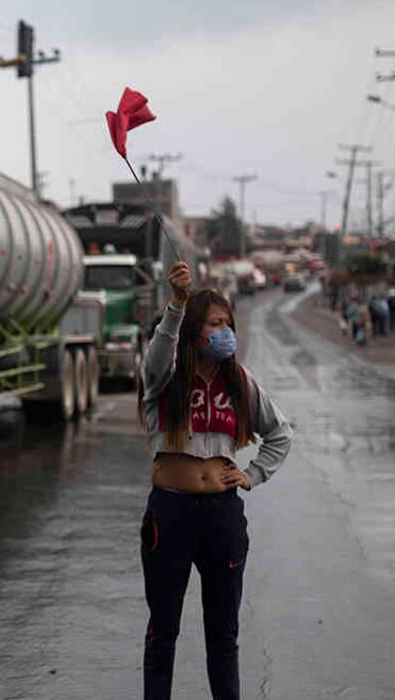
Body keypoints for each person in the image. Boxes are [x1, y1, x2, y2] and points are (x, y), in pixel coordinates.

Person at [138, 261, 293, 700]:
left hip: (223, 516)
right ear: (194, 332)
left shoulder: (239, 381)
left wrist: (254, 474)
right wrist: (177, 305)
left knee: (223, 636)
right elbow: (156, 357)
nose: (226, 332)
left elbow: (280, 432)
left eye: (229, 324)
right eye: (215, 324)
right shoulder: (164, 379)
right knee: (162, 631)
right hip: (170, 513)